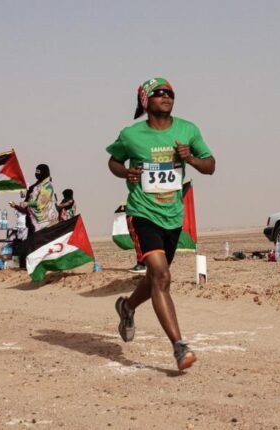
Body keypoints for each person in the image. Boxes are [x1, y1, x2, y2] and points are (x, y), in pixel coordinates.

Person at [106, 77, 215, 371]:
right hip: (142, 213)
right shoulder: (131, 135)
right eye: (159, 93)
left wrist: (189, 158)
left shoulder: (187, 130)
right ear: (146, 101)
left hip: (172, 216)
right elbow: (113, 161)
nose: (166, 96)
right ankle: (179, 346)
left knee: (157, 279)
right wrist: (125, 172)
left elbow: (211, 166)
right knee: (162, 276)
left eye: (170, 93)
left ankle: (127, 307)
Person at [10, 164, 58, 237]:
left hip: (44, 223)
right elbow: (27, 207)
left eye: (39, 172)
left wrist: (28, 203)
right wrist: (17, 206)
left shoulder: (47, 186)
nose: (36, 174)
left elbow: (40, 203)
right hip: (31, 221)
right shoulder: (37, 184)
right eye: (36, 171)